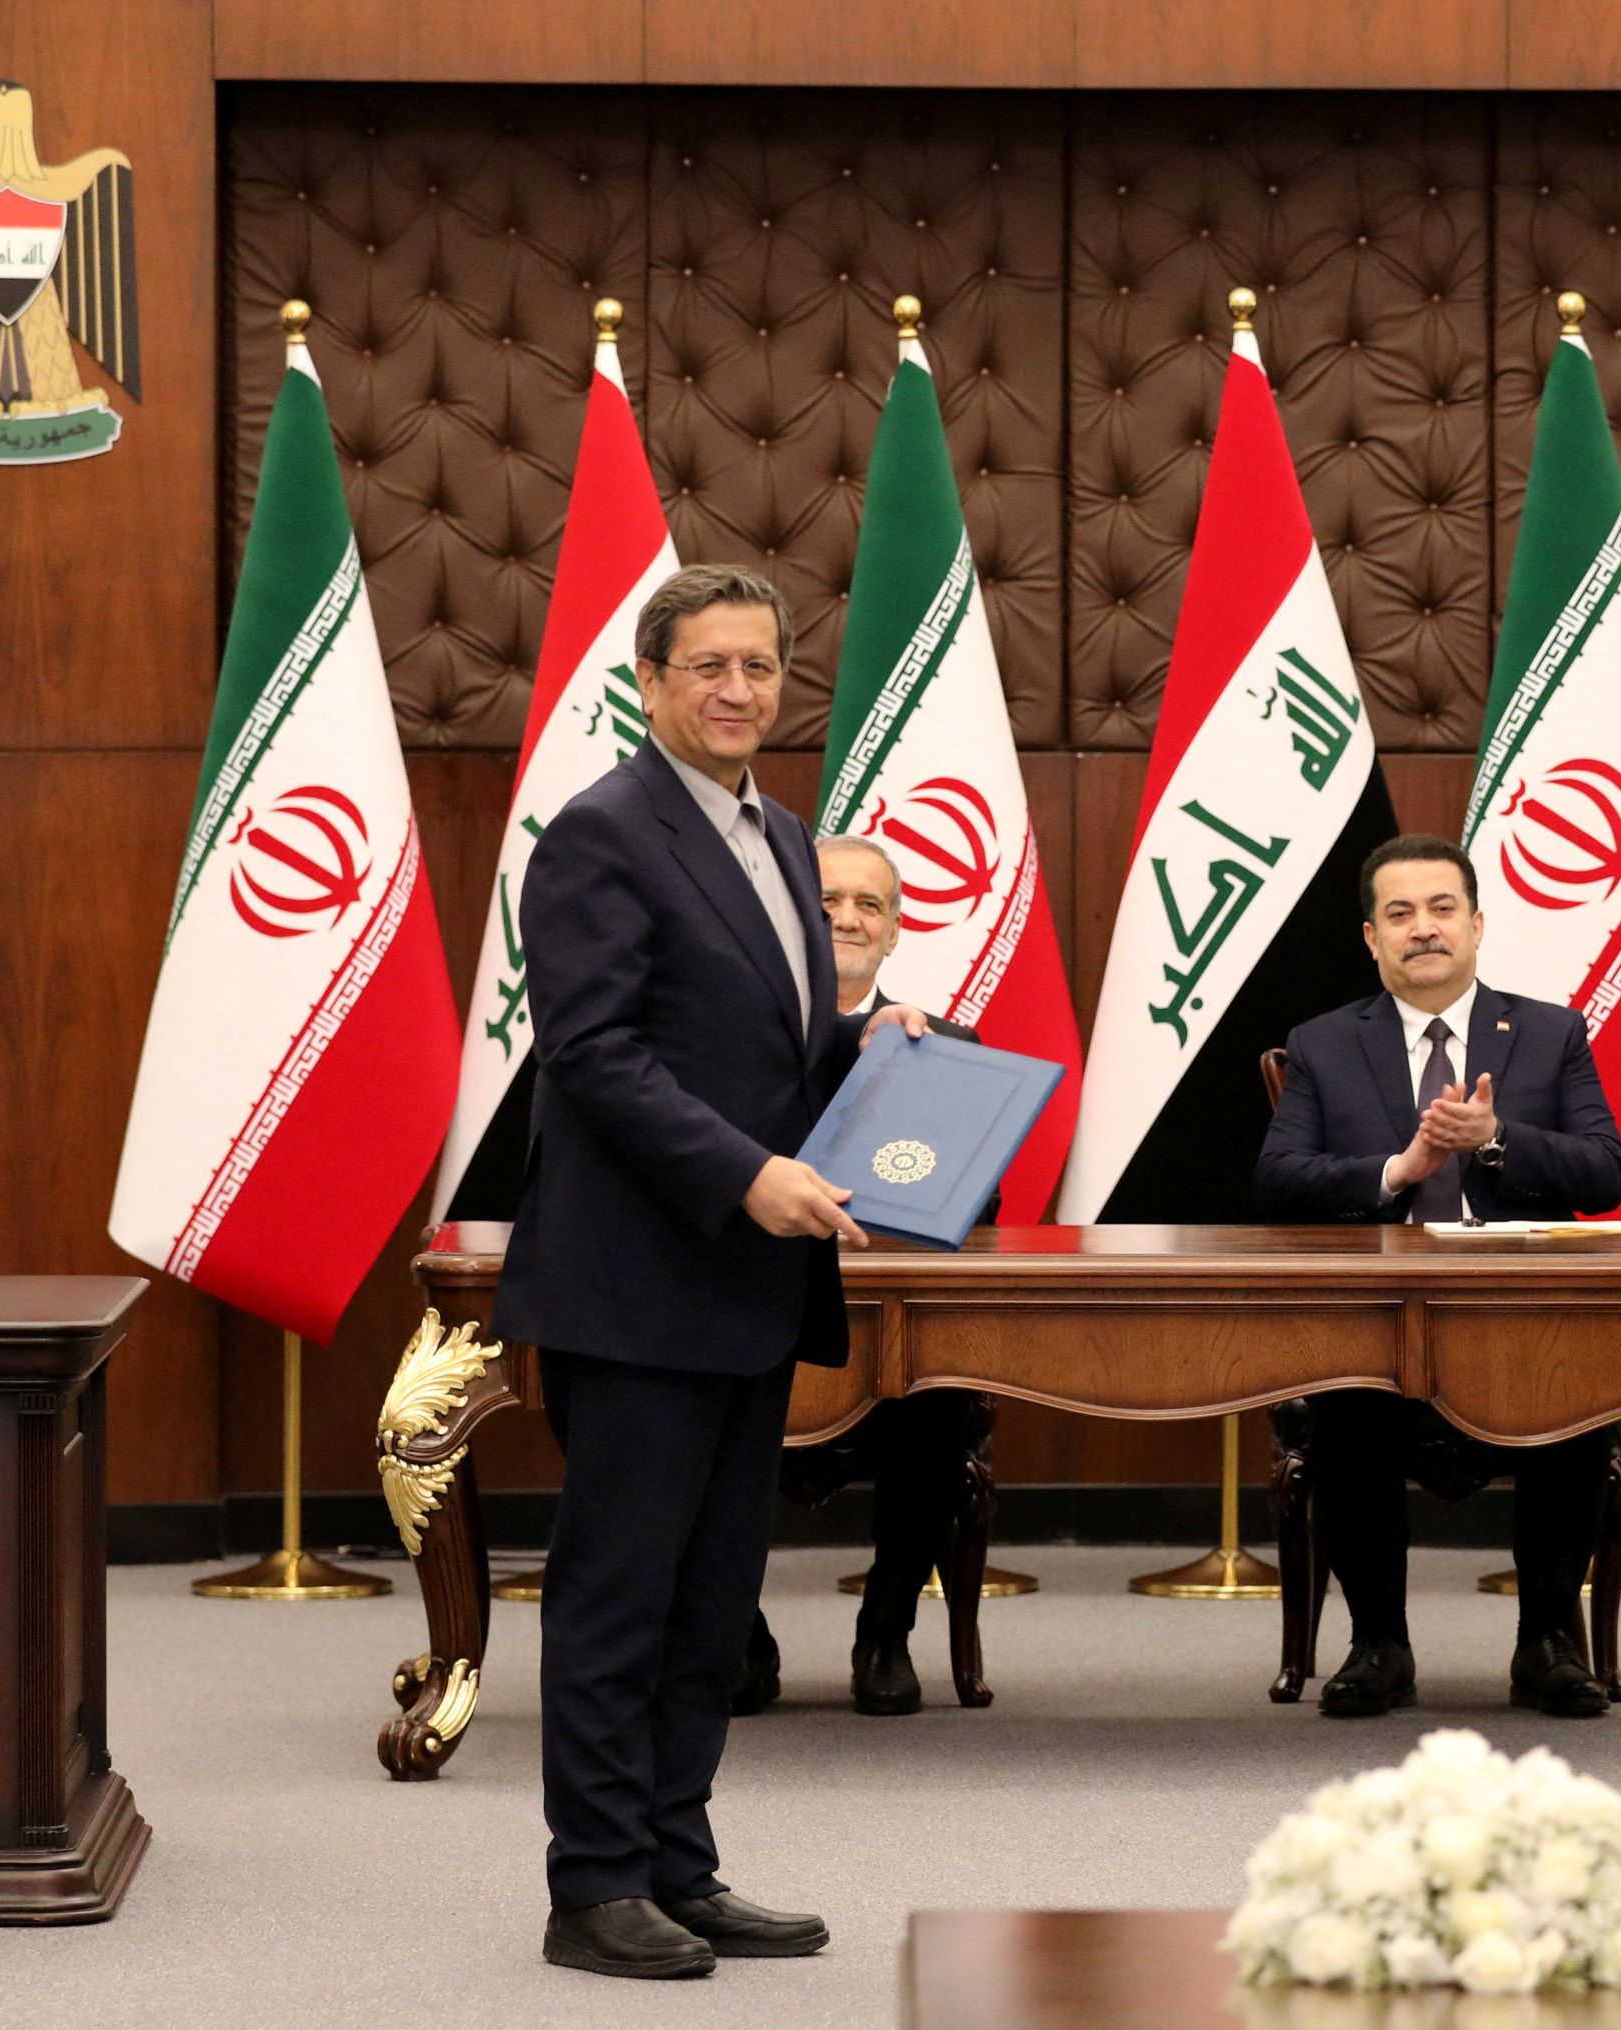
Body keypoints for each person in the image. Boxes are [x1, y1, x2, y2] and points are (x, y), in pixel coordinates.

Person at [490, 563, 927, 1982]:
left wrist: (859, 1054)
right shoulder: (600, 836)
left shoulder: (786, 835)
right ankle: (594, 1883)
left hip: (745, 1287)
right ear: (652, 680)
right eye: (709, 667)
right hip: (637, 1281)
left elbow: (759, 1045)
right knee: (620, 1595)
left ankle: (678, 1858)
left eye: (759, 665)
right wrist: (746, 1171)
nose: (738, 690)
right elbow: (597, 1056)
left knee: (709, 1597)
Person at [1254, 833, 1621, 1720]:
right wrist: (1400, 1168)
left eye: (1440, 910)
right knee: (1348, 1405)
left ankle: (1547, 1643)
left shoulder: (1549, 1031)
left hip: (1522, 1324)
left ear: (1476, 924)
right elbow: (1277, 1181)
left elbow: (1607, 1170)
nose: (1423, 930)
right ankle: (1377, 1644)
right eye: (1400, 915)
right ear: (1371, 939)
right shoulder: (1321, 1043)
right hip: (1380, 1323)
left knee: (1579, 1405)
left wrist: (1494, 1141)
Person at [728, 834, 989, 1720]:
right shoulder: (739, 1029)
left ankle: (886, 1633)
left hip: (897, 1307)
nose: (846, 917)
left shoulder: (947, 1045)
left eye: (868, 905)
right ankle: (737, 1639)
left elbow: (979, 1195)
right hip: (748, 1299)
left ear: (897, 929)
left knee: (936, 1408)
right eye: (829, 899)